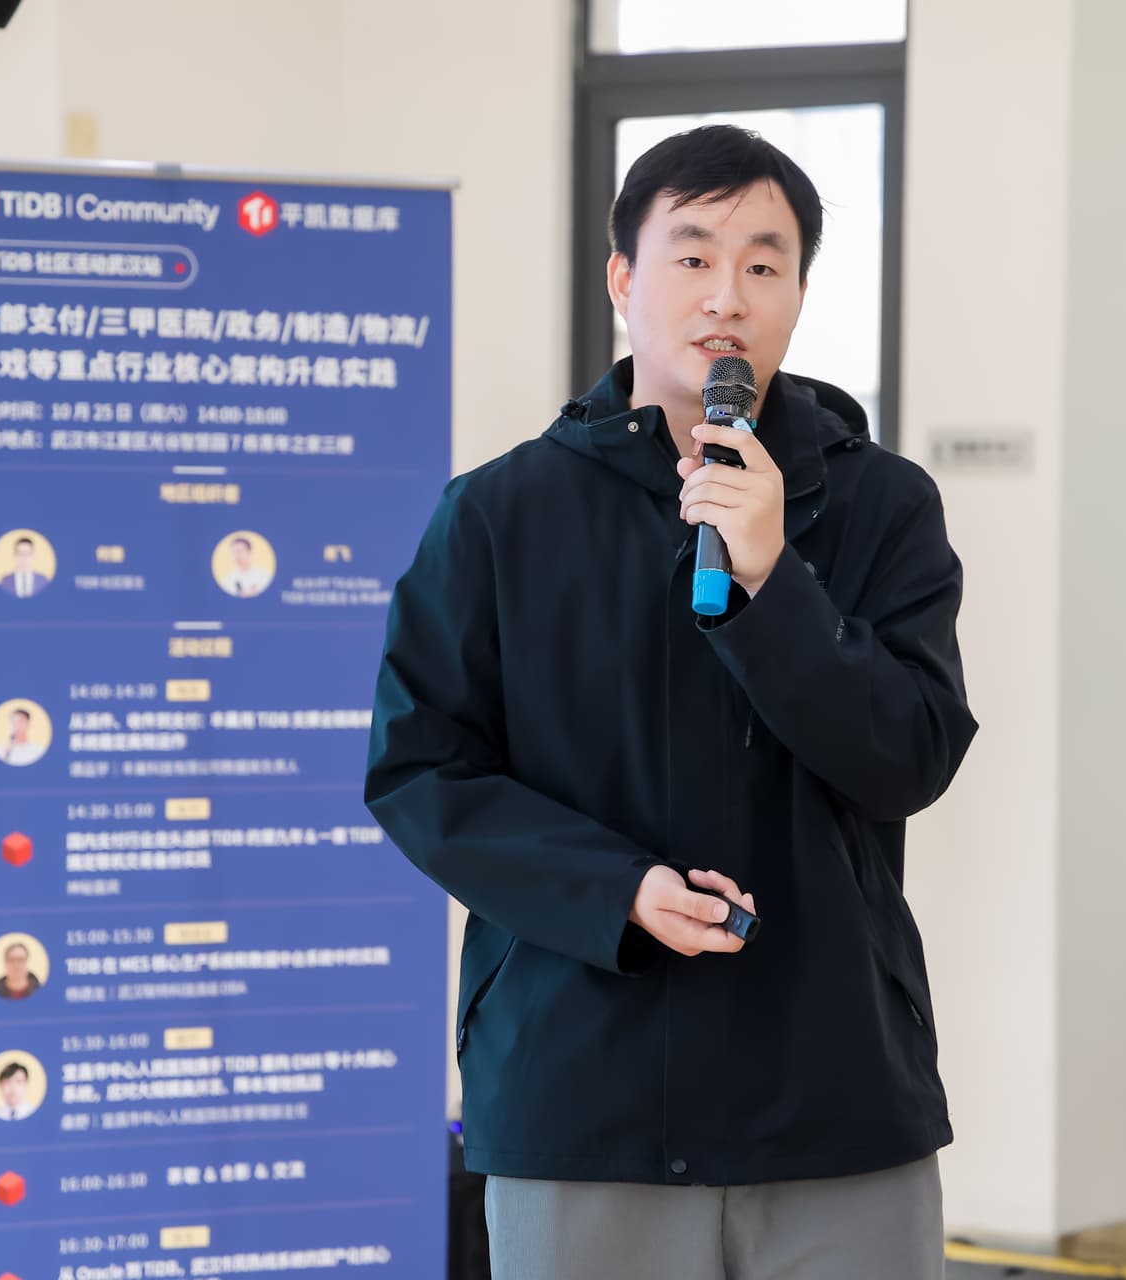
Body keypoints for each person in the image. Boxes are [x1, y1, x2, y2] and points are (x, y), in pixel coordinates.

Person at [364, 125, 976, 1280]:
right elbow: (420, 770)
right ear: (622, 278)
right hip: (581, 1094)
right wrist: (614, 890)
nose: (726, 295)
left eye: (763, 262)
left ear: (799, 293)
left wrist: (772, 581)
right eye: (692, 256)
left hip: (836, 1098)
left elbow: (909, 755)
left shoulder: (883, 506)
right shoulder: (499, 515)